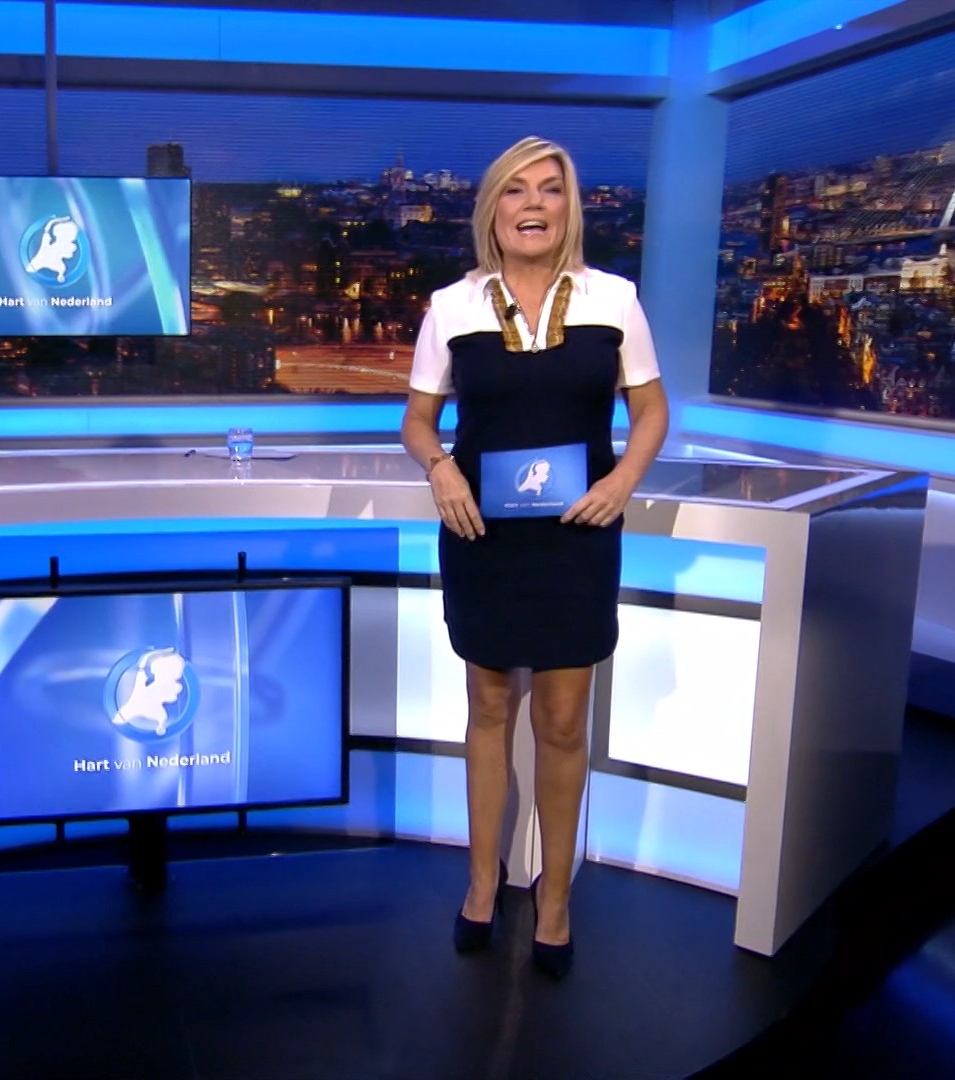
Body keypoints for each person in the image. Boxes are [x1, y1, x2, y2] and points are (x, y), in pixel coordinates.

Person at [401, 136, 669, 977]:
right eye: (516, 189)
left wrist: (623, 480)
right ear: (493, 210)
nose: (534, 204)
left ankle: (554, 897)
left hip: (577, 536)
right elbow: (417, 421)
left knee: (561, 720)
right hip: (483, 535)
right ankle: (483, 884)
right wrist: (439, 467)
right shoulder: (451, 307)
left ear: (568, 207)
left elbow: (652, 410)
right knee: (488, 707)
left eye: (550, 190)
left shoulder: (614, 299)